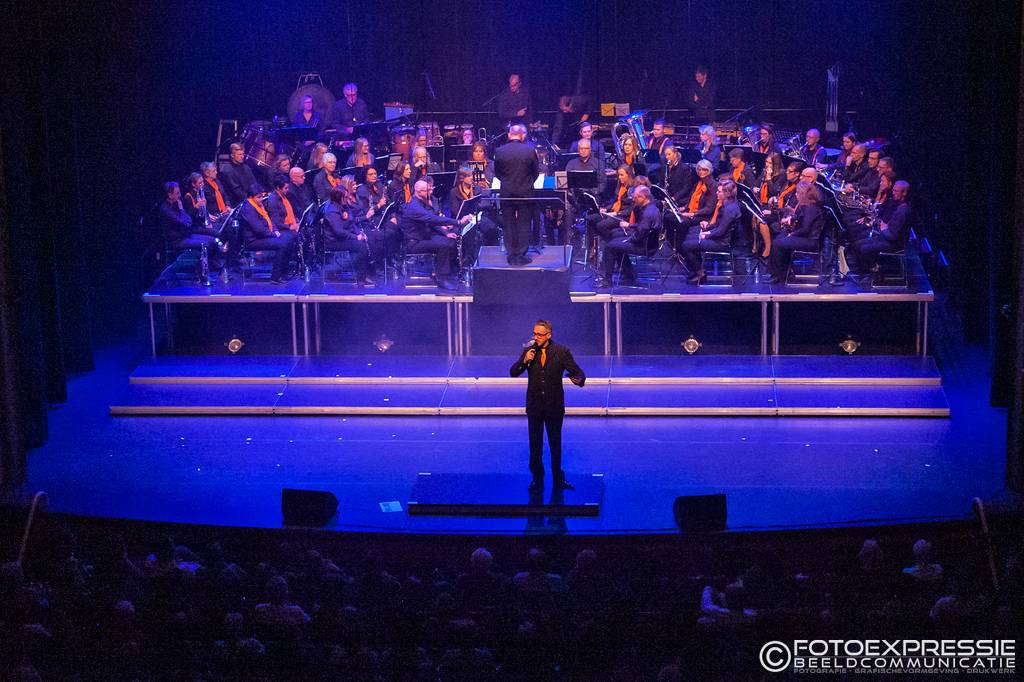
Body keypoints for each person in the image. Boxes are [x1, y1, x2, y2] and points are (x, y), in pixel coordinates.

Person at [509, 319, 586, 492]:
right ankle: (537, 479)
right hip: (535, 406)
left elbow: (578, 373)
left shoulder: (561, 351)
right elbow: (513, 372)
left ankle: (558, 479)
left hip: (554, 407)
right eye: (534, 334)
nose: (536, 337)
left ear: (548, 335)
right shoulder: (529, 351)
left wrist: (578, 380)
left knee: (555, 444)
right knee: (535, 445)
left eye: (539, 334)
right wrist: (524, 361)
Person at [399, 179, 471, 289]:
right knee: (444, 245)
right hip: (415, 242)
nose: (430, 192)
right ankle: (442, 278)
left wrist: (446, 232)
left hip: (424, 236)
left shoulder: (422, 203)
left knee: (452, 240)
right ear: (419, 192)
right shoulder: (414, 207)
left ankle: (451, 271)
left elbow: (431, 221)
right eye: (427, 190)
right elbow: (432, 218)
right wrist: (458, 222)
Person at [599, 185, 662, 287]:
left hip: (644, 246)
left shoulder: (648, 213)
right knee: (616, 240)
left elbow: (639, 235)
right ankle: (628, 275)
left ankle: (607, 281)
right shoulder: (652, 208)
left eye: (635, 197)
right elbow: (643, 227)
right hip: (645, 241)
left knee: (610, 246)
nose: (633, 199)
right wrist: (630, 226)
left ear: (643, 197)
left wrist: (627, 239)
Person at [494, 123, 539, 265]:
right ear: (521, 136)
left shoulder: (499, 151)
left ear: (509, 135)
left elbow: (497, 173)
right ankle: (521, 254)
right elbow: (535, 172)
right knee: (524, 224)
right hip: (525, 192)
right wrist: (527, 183)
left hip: (507, 192)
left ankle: (511, 254)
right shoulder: (530, 150)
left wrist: (507, 182)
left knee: (508, 224)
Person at [681, 178, 742, 283]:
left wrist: (706, 235)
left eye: (719, 191)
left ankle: (700, 273)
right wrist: (708, 227)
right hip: (720, 237)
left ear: (726, 193)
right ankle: (696, 268)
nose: (716, 193)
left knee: (686, 246)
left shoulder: (730, 209)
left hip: (722, 243)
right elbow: (719, 225)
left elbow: (721, 231)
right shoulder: (727, 205)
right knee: (690, 235)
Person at [848, 180, 911, 276]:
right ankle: (866, 269)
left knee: (864, 248)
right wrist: (878, 223)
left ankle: (875, 271)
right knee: (857, 244)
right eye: (893, 190)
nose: (893, 193)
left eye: (896, 191)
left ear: (904, 193)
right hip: (885, 237)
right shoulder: (894, 203)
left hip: (894, 243)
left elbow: (893, 236)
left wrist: (882, 228)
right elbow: (884, 219)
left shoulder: (903, 211)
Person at [766, 181, 825, 283]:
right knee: (779, 238)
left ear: (804, 194)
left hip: (811, 241)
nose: (796, 195)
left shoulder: (811, 208)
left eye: (798, 193)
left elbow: (805, 229)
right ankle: (781, 273)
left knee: (778, 243)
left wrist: (792, 234)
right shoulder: (807, 207)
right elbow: (801, 221)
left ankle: (780, 275)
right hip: (805, 237)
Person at [238, 184, 297, 284]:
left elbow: (269, 220)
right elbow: (258, 229)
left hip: (263, 236)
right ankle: (275, 277)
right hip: (253, 240)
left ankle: (284, 271)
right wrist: (274, 234)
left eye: (261, 196)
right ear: (251, 197)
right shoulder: (247, 209)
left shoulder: (259, 205)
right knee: (282, 244)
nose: (261, 199)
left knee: (289, 238)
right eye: (258, 197)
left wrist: (275, 230)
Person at [322, 185, 375, 286]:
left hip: (344, 237)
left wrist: (359, 233)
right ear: (338, 198)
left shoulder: (343, 206)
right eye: (345, 197)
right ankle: (361, 277)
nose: (347, 199)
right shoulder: (331, 211)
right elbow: (339, 232)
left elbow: (351, 222)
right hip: (334, 241)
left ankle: (369, 272)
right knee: (360, 246)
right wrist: (356, 237)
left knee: (370, 238)